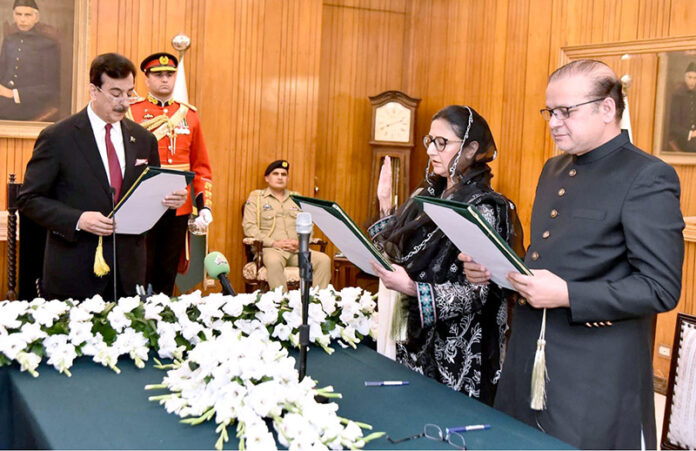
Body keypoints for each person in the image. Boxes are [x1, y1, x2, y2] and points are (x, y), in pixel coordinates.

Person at [462, 60, 684, 449]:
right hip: (528, 354)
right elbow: (543, 257)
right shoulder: (553, 169)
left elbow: (660, 288)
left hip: (591, 370)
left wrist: (568, 295)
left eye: (567, 111)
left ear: (607, 109)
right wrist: (495, 270)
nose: (554, 122)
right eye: (550, 111)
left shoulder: (647, 176)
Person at [369, 106, 524, 405]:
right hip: (416, 338)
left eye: (442, 143)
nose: (431, 150)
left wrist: (414, 289)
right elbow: (393, 258)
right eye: (430, 141)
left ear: (470, 149)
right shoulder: (426, 197)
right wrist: (385, 205)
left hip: (459, 350)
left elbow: (481, 292)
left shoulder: (484, 207)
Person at [17, 53, 188, 301]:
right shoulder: (58, 137)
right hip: (75, 273)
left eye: (129, 93)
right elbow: (29, 199)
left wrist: (167, 200)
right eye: (115, 93)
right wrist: (79, 219)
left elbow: (148, 199)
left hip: (129, 275)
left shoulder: (144, 139)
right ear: (93, 91)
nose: (124, 103)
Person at [127, 52, 213, 295]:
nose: (164, 79)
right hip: (143, 201)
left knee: (168, 267)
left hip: (180, 204)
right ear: (146, 79)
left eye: (169, 74)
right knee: (141, 266)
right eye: (158, 75)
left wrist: (204, 205)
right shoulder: (132, 112)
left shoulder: (189, 116)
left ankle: (162, 317)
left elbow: (200, 166)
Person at [242, 160, 331, 291]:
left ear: (288, 178)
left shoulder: (296, 199)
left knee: (324, 260)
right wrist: (274, 243)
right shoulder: (257, 198)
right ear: (267, 178)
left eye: (283, 174)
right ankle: (282, 305)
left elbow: (308, 225)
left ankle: (317, 303)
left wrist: (300, 243)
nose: (280, 177)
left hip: (296, 250)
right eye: (275, 174)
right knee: (273, 262)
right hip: (272, 249)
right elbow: (249, 227)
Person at [0, 0, 60, 121]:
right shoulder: (9, 40)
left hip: (28, 104)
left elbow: (50, 88)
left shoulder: (47, 45)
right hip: (3, 99)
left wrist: (13, 94)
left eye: (28, 15)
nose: (22, 19)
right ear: (13, 16)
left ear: (36, 18)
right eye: (18, 14)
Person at [666, 62, 696, 152]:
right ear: (685, 78)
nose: (692, 81)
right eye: (689, 77)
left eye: (695, 78)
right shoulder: (677, 95)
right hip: (681, 139)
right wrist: (690, 133)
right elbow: (673, 125)